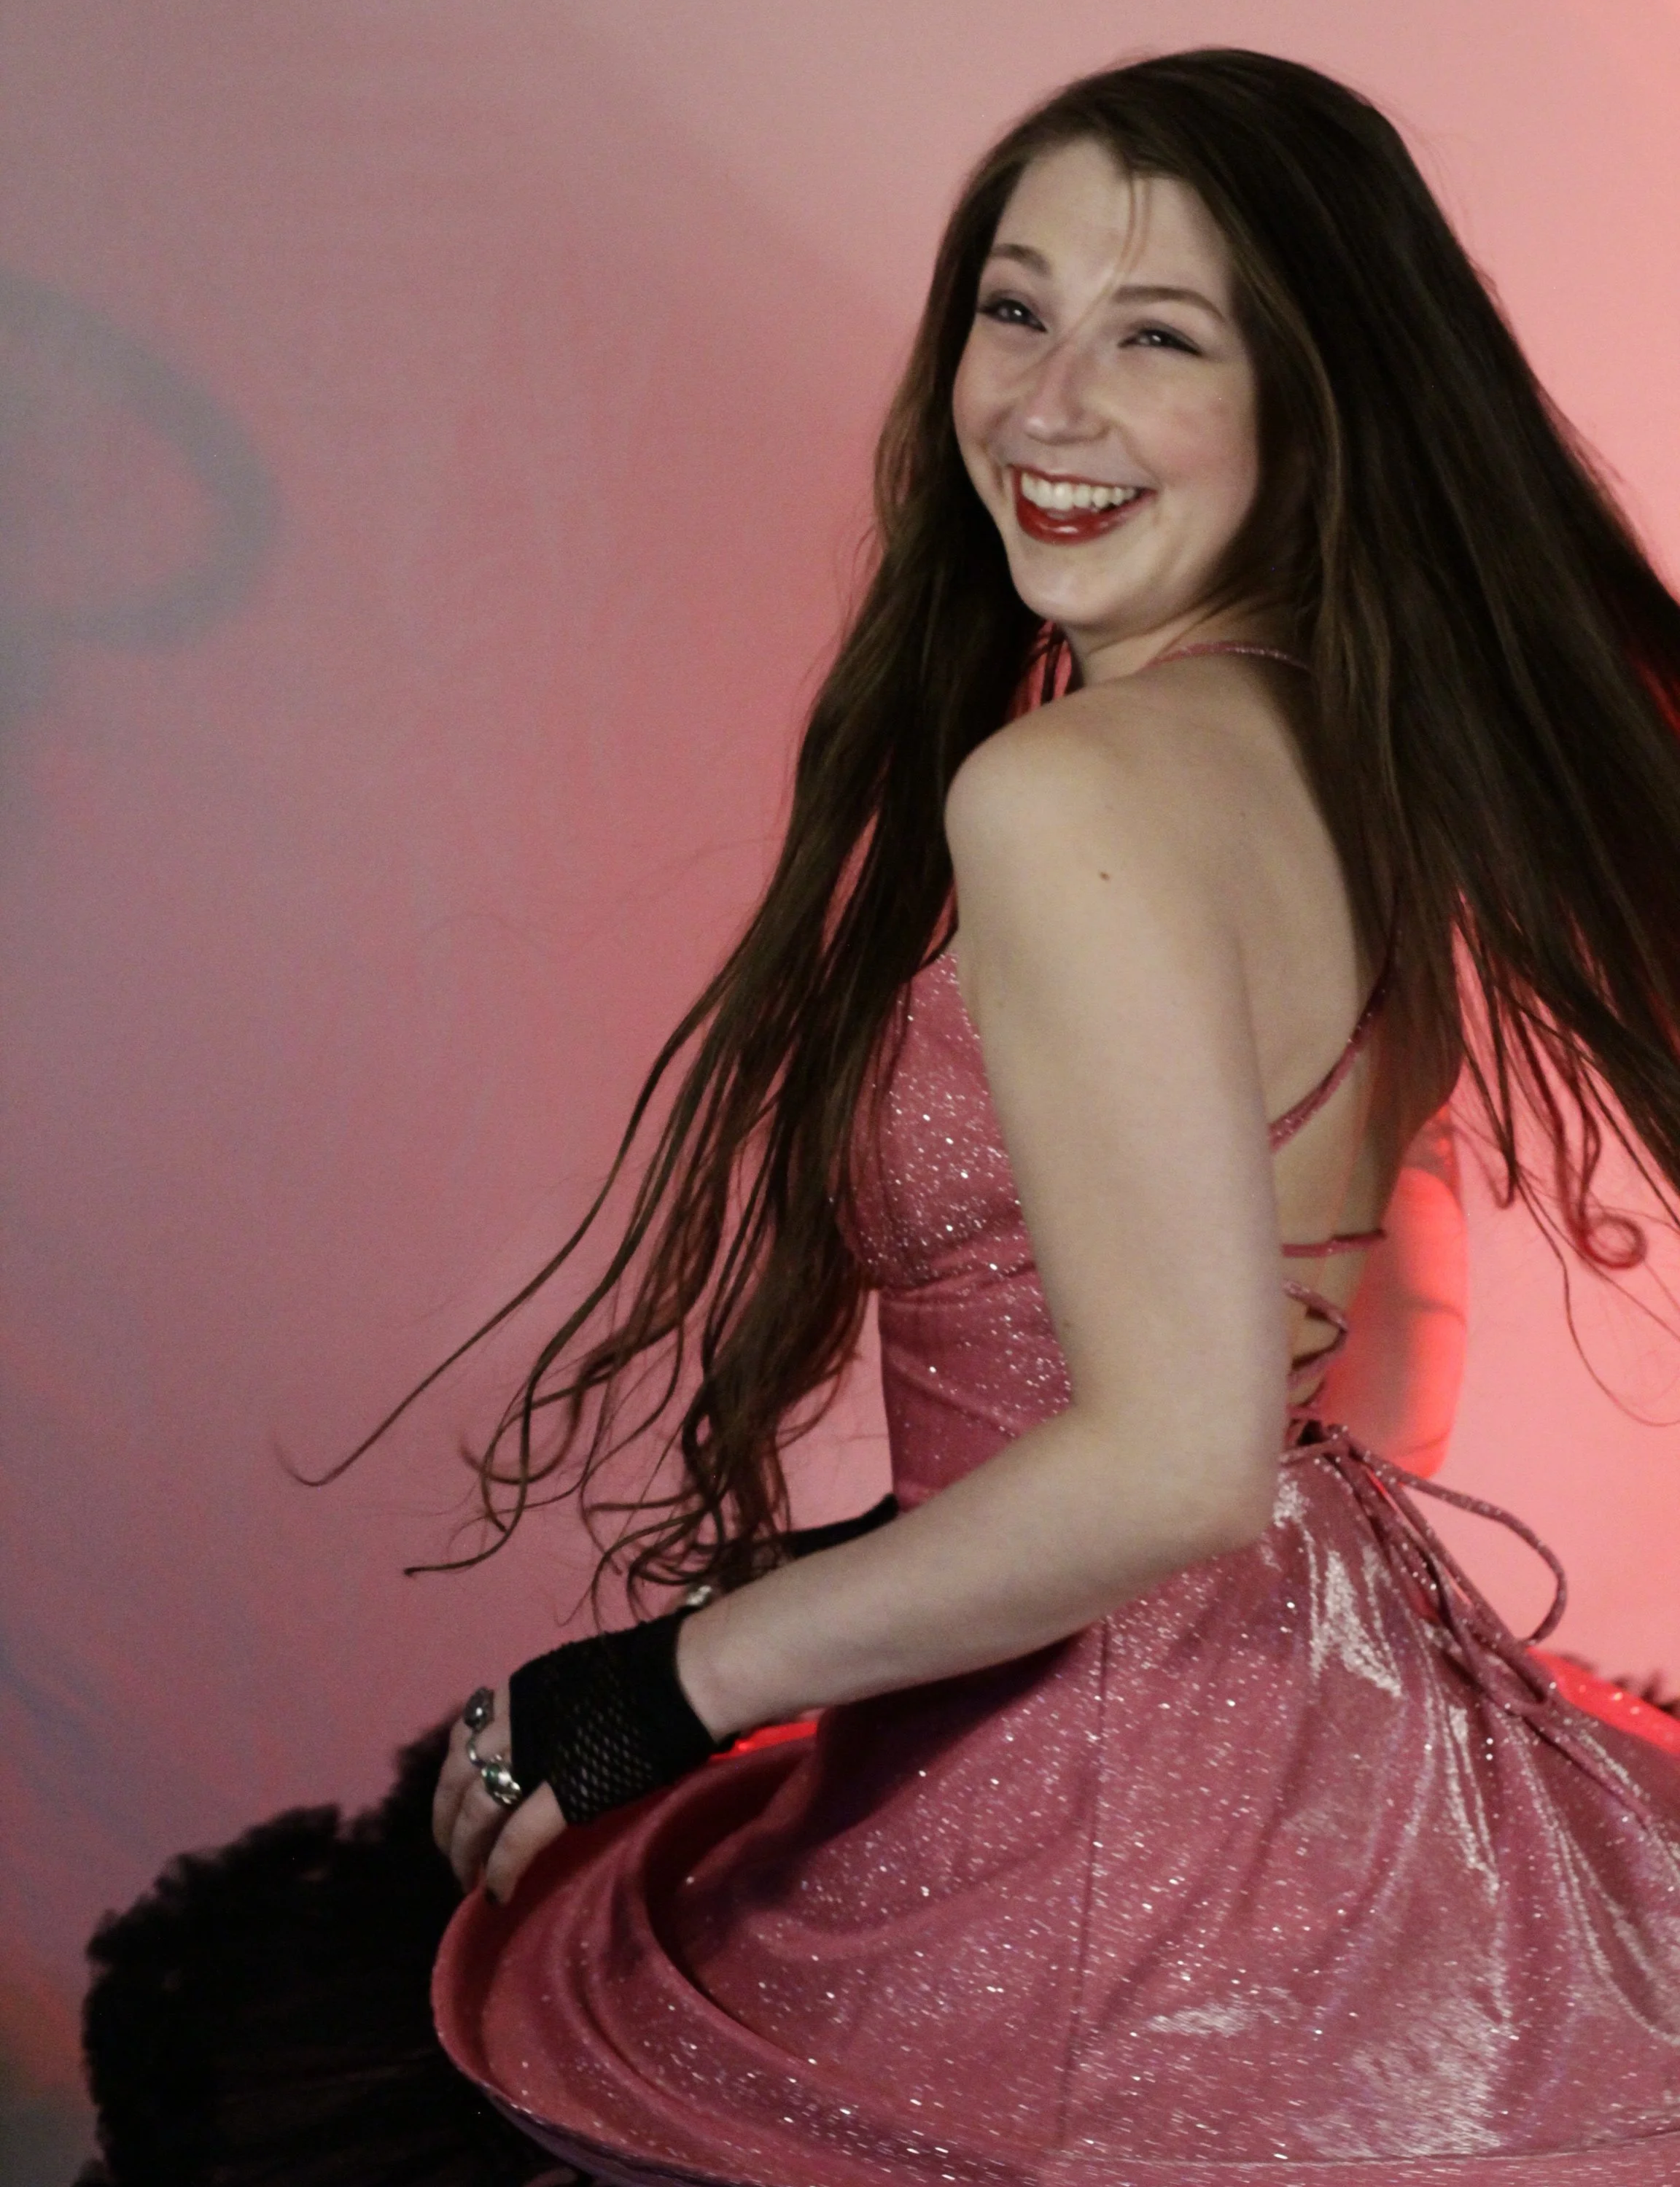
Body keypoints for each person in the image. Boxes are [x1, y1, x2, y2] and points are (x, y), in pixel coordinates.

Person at [81, 46, 1680, 2187]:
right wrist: (929, 1571)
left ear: (1318, 395)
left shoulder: (1070, 792)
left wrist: (663, 1679)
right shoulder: (1351, 752)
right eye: (1015, 311)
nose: (1046, 407)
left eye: (1159, 338)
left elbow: (1190, 1457)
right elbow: (1367, 1372)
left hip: (1118, 1868)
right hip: (1364, 1772)